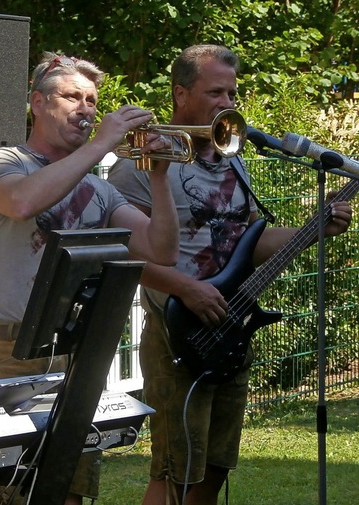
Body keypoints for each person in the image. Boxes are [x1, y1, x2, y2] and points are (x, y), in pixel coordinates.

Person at [107, 44, 353, 505]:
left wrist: (312, 229)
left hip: (228, 324)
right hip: (176, 328)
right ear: (181, 93)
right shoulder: (141, 161)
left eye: (232, 93)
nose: (228, 103)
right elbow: (121, 253)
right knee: (174, 469)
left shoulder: (231, 156)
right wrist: (187, 288)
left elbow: (246, 243)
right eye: (215, 92)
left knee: (216, 466)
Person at [0, 52, 179, 504]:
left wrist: (160, 179)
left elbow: (161, 249)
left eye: (91, 100)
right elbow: (23, 203)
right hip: (15, 348)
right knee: (20, 489)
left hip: (79, 350)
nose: (86, 109)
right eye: (72, 97)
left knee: (69, 488)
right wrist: (101, 144)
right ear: (38, 103)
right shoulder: (5, 161)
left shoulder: (101, 188)